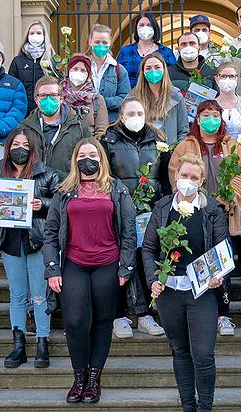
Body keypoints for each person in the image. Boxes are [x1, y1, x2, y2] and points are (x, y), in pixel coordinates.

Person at [43, 138, 136, 404]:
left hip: (108, 263)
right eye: (82, 154)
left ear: (101, 158)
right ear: (75, 159)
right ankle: (79, 377)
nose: (88, 158)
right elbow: (50, 233)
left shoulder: (117, 190)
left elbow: (129, 231)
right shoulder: (65, 191)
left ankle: (94, 378)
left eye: (92, 154)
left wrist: (125, 265)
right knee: (75, 322)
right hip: (74, 263)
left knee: (103, 321)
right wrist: (51, 269)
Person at [142, 153, 229, 412]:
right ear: (175, 177)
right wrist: (154, 278)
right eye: (184, 176)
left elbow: (222, 249)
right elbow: (148, 248)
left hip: (201, 292)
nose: (188, 182)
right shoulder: (162, 208)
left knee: (203, 353)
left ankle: (206, 411)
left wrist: (218, 275)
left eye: (194, 178)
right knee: (179, 350)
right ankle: (187, 409)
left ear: (202, 181)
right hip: (170, 293)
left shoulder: (212, 209)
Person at [169, 100, 241, 336]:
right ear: (197, 118)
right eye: (206, 115)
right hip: (196, 214)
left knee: (223, 264)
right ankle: (202, 313)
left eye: (216, 115)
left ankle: (224, 315)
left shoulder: (233, 145)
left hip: (227, 214)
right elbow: (176, 174)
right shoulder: (185, 146)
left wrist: (225, 199)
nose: (211, 120)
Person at [0, 128, 59, 369]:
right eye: (15, 144)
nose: (20, 148)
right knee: (16, 295)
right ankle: (19, 345)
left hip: (37, 240)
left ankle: (43, 343)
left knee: (39, 293)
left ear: (33, 148)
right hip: (9, 240)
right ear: (8, 147)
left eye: (25, 144)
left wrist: (41, 204)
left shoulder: (47, 175)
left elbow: (59, 206)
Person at [101, 97, 166, 338]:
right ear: (121, 116)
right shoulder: (108, 140)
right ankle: (120, 316)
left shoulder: (157, 140)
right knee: (119, 260)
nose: (136, 118)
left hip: (150, 211)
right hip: (118, 209)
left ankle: (146, 314)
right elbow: (104, 176)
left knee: (144, 259)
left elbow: (165, 178)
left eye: (140, 113)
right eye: (131, 113)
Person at [21, 75, 92, 178]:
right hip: (34, 188)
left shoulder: (79, 127)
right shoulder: (24, 128)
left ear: (61, 99)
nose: (48, 99)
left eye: (53, 95)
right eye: (43, 95)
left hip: (66, 188)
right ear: (36, 100)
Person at [130, 53, 189, 145]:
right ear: (143, 72)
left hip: (169, 151)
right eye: (148, 68)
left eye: (157, 67)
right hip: (143, 150)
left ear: (164, 70)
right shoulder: (133, 97)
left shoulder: (176, 96)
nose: (153, 71)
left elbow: (183, 130)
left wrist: (176, 151)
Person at [9, 20, 56, 117]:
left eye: (39, 33)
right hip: (23, 112)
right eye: (32, 33)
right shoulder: (18, 61)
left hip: (46, 111)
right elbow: (12, 88)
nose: (35, 36)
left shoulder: (52, 61)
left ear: (44, 36)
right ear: (27, 36)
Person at [117, 12, 177, 87]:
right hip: (130, 95)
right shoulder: (125, 51)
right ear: (136, 28)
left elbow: (173, 77)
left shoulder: (166, 52)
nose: (145, 28)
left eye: (149, 25)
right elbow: (118, 75)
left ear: (154, 28)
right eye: (141, 25)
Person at [88, 24, 131, 123]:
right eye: (97, 42)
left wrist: (101, 102)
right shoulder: (82, 68)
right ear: (90, 42)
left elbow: (124, 98)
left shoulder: (119, 70)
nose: (101, 46)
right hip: (86, 123)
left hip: (111, 124)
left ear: (110, 43)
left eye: (104, 42)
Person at [61, 54, 108, 139]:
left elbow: (102, 130)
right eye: (75, 69)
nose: (78, 72)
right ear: (68, 71)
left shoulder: (97, 99)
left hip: (88, 145)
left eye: (83, 70)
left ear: (89, 74)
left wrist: (92, 147)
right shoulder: (58, 95)